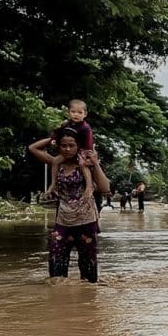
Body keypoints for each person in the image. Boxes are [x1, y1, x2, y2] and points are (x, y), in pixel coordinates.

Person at [29, 128, 111, 283]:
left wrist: (96, 164)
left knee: (88, 270)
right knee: (56, 265)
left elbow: (105, 188)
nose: (67, 149)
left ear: (78, 146)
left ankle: (87, 299)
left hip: (86, 220)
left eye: (71, 145)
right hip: (63, 220)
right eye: (63, 145)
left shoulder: (86, 164)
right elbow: (33, 148)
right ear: (58, 146)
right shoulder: (56, 162)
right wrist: (53, 137)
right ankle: (58, 300)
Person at [45, 99, 95, 196]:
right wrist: (53, 139)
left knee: (83, 164)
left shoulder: (86, 128)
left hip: (82, 150)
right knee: (55, 161)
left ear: (85, 114)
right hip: (69, 150)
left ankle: (89, 186)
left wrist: (88, 156)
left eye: (80, 112)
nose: (76, 114)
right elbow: (57, 132)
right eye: (73, 112)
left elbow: (89, 143)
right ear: (69, 113)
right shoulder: (66, 124)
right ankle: (53, 184)